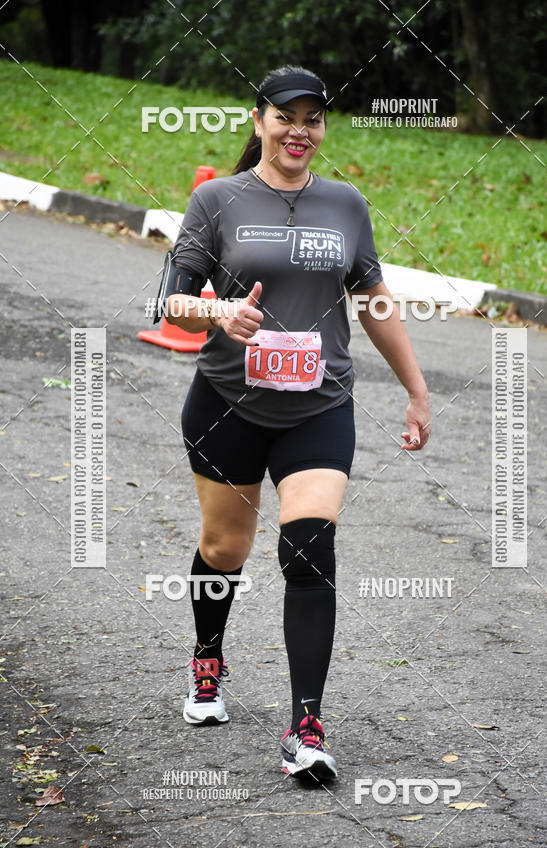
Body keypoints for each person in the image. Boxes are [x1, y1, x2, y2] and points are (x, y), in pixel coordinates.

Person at [157, 64, 431, 780]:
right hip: (226, 404)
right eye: (286, 116)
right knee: (224, 547)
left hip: (320, 404)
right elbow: (170, 301)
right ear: (259, 121)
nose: (299, 131)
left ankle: (305, 726)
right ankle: (208, 661)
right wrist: (221, 311)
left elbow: (373, 299)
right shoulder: (216, 199)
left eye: (312, 119)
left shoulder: (345, 204)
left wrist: (416, 389)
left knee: (310, 551)